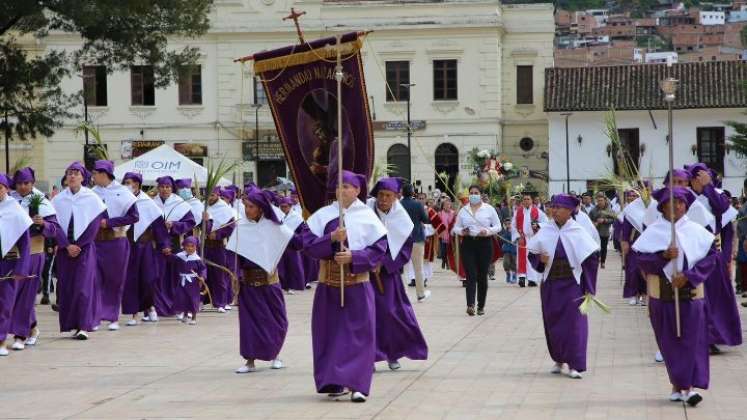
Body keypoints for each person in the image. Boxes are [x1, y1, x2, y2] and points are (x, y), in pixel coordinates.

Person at [302, 170, 387, 403]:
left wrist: (354, 257)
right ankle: (333, 380)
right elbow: (307, 245)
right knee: (328, 335)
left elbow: (378, 249)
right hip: (328, 287)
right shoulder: (324, 215)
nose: (341, 190)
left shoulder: (367, 217)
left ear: (357, 190)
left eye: (347, 186)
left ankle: (358, 384)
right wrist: (330, 238)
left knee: (358, 337)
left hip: (357, 287)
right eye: (338, 186)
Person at [632, 186, 717, 406]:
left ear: (685, 206)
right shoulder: (654, 231)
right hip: (662, 297)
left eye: (679, 202)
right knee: (669, 342)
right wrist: (663, 256)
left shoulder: (696, 231)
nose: (675, 206)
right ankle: (677, 384)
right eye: (671, 203)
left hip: (691, 295)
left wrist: (689, 276)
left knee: (691, 341)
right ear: (662, 206)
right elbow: (641, 260)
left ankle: (687, 388)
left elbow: (709, 259)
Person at [227, 185, 298, 373]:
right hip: (248, 284)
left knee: (277, 321)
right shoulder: (241, 227)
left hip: (270, 283)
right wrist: (235, 279)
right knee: (250, 324)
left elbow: (296, 243)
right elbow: (235, 257)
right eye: (246, 206)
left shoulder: (274, 226)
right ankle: (249, 361)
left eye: (251, 206)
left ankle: (275, 355)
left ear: (260, 208)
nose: (247, 210)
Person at [527, 194, 599, 379]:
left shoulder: (577, 231)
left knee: (575, 325)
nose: (555, 210)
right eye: (553, 207)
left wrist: (589, 287)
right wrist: (539, 260)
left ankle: (575, 364)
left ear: (569, 211)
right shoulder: (545, 230)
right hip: (551, 285)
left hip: (572, 285)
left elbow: (591, 259)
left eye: (559, 207)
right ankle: (559, 359)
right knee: (554, 324)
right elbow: (533, 255)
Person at [367, 177, 428, 371]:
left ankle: (393, 354)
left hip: (388, 276)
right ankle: (371, 355)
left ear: (395, 198)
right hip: (364, 274)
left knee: (392, 314)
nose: (384, 199)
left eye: (388, 196)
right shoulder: (365, 212)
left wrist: (383, 263)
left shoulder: (401, 218)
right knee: (368, 315)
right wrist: (367, 261)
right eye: (381, 195)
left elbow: (404, 249)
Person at [685, 163, 742, 353]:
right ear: (692, 180)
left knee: (716, 299)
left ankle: (713, 337)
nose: (702, 179)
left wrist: (709, 187)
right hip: (692, 256)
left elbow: (723, 210)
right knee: (697, 299)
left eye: (706, 176)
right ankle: (700, 337)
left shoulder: (714, 195)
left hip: (712, 255)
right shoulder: (684, 198)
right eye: (699, 177)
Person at [51, 162, 107, 340]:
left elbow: (94, 225)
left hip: (84, 249)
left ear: (83, 177)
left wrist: (79, 246)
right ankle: (73, 324)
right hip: (64, 249)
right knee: (67, 287)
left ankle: (84, 325)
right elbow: (55, 225)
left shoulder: (92, 198)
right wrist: (66, 245)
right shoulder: (58, 199)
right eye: (69, 173)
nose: (72, 176)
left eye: (76, 173)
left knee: (83, 287)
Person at [8, 167, 59, 350]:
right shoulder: (9, 199)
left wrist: (43, 223)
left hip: (34, 253)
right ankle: (33, 328)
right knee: (12, 295)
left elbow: (54, 228)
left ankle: (19, 336)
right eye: (19, 183)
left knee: (26, 296)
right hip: (11, 255)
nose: (22, 187)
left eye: (26, 183)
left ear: (33, 183)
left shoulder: (42, 201)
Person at [91, 160, 139, 331]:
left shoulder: (123, 192)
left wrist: (110, 222)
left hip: (116, 242)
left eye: (95, 173)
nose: (93, 176)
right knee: (94, 279)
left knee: (114, 279)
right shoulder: (91, 193)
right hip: (95, 242)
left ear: (104, 174)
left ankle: (112, 316)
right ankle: (95, 316)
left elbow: (134, 217)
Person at [121, 172, 169, 326]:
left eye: (133, 182)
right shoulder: (121, 200)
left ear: (139, 184)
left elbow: (158, 226)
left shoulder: (147, 202)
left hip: (145, 247)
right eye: (127, 182)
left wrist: (165, 244)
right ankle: (134, 314)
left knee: (148, 278)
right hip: (127, 245)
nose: (130, 185)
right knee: (131, 280)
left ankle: (151, 308)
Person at [452, 185, 502, 316]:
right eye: (471, 193)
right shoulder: (464, 210)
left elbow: (498, 226)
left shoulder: (489, 209)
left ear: (480, 194)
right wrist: (462, 231)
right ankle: (470, 305)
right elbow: (455, 228)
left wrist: (487, 231)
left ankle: (481, 305)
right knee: (471, 275)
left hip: (484, 244)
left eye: (476, 192)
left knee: (482, 276)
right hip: (468, 243)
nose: (473, 195)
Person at [152, 176, 196, 318]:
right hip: (156, 244)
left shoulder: (180, 204)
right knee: (158, 276)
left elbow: (190, 222)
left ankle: (177, 307)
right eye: (162, 186)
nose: (165, 189)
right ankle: (159, 307)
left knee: (175, 276)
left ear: (172, 188)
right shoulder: (152, 203)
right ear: (158, 188)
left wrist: (175, 225)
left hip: (176, 243)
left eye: (168, 187)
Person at [0, 173, 32, 356]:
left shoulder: (15, 211)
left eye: (0, 187)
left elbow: (25, 244)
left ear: (7, 189)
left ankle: (2, 340)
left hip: (8, 263)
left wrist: (22, 268)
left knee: (4, 304)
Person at [203, 187, 236, 312]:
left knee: (219, 274)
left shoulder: (225, 209)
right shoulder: (203, 206)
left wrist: (217, 234)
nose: (210, 198)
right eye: (208, 195)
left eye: (212, 195)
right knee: (204, 273)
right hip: (204, 244)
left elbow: (231, 227)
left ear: (217, 195)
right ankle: (204, 300)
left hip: (218, 246)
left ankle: (221, 302)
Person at [400, 183, 431, 302]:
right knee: (418, 268)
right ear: (413, 193)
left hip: (402, 240)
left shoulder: (398, 204)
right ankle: (420, 294)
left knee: (402, 268)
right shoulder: (418, 204)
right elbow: (425, 219)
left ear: (402, 192)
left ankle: (404, 294)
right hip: (417, 238)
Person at [511, 191, 548, 287]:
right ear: (522, 201)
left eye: (528, 199)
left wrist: (538, 225)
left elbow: (546, 222)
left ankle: (532, 279)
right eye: (524, 199)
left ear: (532, 201)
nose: (526, 201)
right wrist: (518, 237)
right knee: (522, 258)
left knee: (532, 258)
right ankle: (522, 277)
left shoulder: (537, 211)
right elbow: (513, 225)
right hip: (522, 238)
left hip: (533, 238)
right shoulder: (518, 211)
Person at [171, 236, 207, 325]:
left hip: (193, 283)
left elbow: (203, 269)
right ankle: (185, 315)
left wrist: (202, 276)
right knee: (183, 298)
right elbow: (171, 260)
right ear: (184, 246)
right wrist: (168, 254)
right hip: (182, 282)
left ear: (196, 247)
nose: (190, 248)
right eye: (188, 246)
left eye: (192, 246)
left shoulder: (197, 259)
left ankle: (194, 317)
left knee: (193, 299)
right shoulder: (180, 256)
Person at [277, 196, 307, 293]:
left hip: (291, 244)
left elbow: (301, 231)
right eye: (281, 206)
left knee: (292, 266)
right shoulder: (278, 215)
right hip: (280, 244)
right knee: (281, 267)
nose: (283, 209)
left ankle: (291, 286)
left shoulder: (297, 217)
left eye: (285, 206)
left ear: (290, 206)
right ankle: (281, 285)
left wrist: (295, 238)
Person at [588, 193, 616, 269]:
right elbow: (588, 219)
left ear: (605, 200)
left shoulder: (609, 210)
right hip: (595, 232)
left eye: (601, 200)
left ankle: (603, 262)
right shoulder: (593, 210)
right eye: (598, 200)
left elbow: (613, 219)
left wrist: (604, 220)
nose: (600, 202)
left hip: (605, 232)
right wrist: (593, 223)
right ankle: (596, 260)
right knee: (596, 247)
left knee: (604, 248)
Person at [499, 218, 517, 284]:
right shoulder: (503, 231)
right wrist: (506, 231)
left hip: (514, 249)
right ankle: (508, 274)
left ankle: (514, 276)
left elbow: (516, 238)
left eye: (509, 224)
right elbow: (502, 239)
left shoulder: (514, 231)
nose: (508, 225)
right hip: (506, 249)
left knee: (514, 263)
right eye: (506, 224)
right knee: (506, 263)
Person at [438, 198, 455, 269]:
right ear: (443, 206)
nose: (448, 206)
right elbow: (438, 224)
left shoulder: (453, 213)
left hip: (450, 234)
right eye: (446, 205)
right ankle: (444, 260)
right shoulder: (440, 213)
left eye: (449, 204)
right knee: (443, 251)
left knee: (449, 250)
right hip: (443, 234)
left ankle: (448, 263)